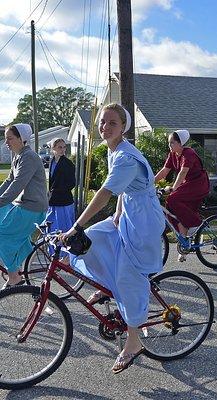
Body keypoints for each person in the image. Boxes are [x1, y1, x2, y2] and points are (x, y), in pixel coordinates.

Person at [60, 103, 165, 374]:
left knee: (128, 278)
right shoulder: (113, 150)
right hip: (130, 213)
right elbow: (122, 190)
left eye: (112, 123)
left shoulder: (126, 157)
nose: (105, 127)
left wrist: (76, 226)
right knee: (95, 239)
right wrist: (117, 213)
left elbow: (106, 191)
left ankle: (133, 343)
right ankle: (107, 284)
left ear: (123, 128)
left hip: (143, 222)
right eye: (103, 122)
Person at [0, 124, 48, 289]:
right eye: (6, 138)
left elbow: (18, 184)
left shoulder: (29, 157)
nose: (6, 142)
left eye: (10, 138)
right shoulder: (18, 155)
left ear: (22, 139)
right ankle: (26, 256)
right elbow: (9, 182)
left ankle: (14, 276)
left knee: (1, 235)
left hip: (32, 208)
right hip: (24, 205)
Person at [154, 130, 210, 261]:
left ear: (181, 143)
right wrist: (147, 183)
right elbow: (164, 171)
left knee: (173, 199)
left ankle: (195, 223)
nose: (170, 145)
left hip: (198, 184)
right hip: (188, 185)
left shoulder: (188, 153)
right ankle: (184, 246)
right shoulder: (173, 154)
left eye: (172, 142)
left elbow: (183, 172)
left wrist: (173, 188)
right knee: (173, 210)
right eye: (169, 143)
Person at [45, 138, 75, 257]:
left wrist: (58, 190)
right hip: (53, 200)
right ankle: (54, 253)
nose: (63, 150)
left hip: (64, 201)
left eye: (64, 147)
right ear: (53, 149)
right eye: (59, 147)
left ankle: (66, 255)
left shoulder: (68, 164)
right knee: (52, 227)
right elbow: (51, 181)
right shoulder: (52, 161)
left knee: (64, 228)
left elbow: (72, 183)